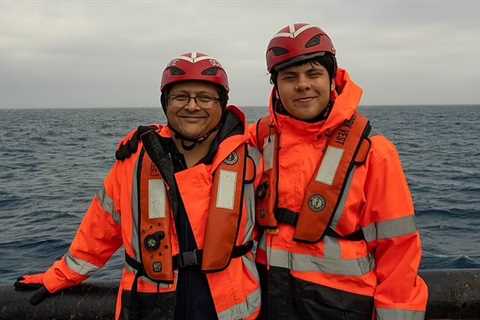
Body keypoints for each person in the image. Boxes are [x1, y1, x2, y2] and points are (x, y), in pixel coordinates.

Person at [14, 52, 262, 320]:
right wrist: (61, 276)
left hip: (230, 308)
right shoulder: (134, 159)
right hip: (148, 305)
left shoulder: (253, 155)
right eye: (180, 97)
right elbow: (100, 228)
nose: (192, 106)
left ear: (222, 104)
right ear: (165, 103)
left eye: (205, 97)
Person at [250, 23, 428, 319]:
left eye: (314, 73)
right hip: (270, 301)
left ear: (333, 79)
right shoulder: (258, 140)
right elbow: (199, 140)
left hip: (344, 307)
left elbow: (399, 252)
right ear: (276, 88)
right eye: (289, 77)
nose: (303, 84)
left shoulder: (375, 154)